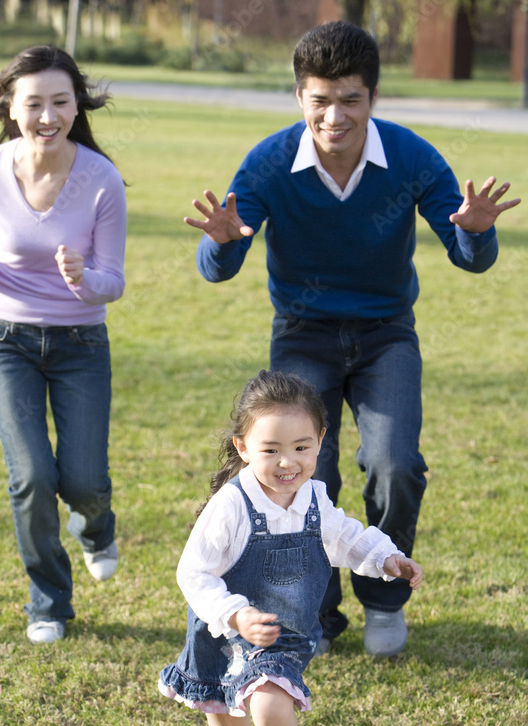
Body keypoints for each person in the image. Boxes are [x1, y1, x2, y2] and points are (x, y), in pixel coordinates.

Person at [184, 20, 519, 658]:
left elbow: (468, 255)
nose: (334, 116)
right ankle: (319, 612)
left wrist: (476, 231)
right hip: (303, 337)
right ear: (300, 98)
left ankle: (386, 601)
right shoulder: (269, 163)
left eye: (350, 99)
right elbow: (218, 265)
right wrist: (221, 244)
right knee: (306, 474)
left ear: (372, 99)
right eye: (320, 99)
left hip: (386, 333)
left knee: (395, 465)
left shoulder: (411, 157)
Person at [159, 371, 422, 726]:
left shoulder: (314, 498)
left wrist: (385, 558)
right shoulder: (231, 506)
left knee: (269, 701)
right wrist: (236, 616)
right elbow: (192, 574)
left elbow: (343, 535)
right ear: (243, 447)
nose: (288, 462)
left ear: (321, 441)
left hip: (279, 637)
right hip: (224, 633)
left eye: (302, 448)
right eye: (271, 450)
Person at [0, 46, 127, 644]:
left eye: (61, 102)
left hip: (81, 342)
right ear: (10, 106)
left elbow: (115, 281)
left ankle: (96, 527)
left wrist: (84, 279)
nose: (48, 116)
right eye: (34, 103)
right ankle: (48, 603)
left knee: (82, 482)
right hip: (5, 340)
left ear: (77, 105)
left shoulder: (100, 179)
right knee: (30, 476)